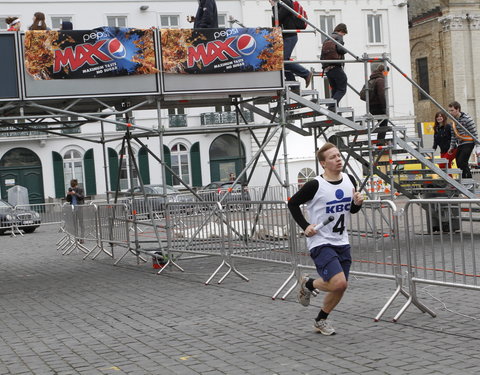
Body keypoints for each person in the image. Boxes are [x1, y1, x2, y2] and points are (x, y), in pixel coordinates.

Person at [287, 142, 363, 335]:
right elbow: (293, 204)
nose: (338, 159)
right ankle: (308, 284)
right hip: (321, 241)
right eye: (332, 157)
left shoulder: (349, 179)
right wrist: (306, 226)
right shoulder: (315, 185)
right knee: (339, 283)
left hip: (341, 240)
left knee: (339, 287)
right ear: (323, 163)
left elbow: (351, 210)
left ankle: (321, 320)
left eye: (339, 155)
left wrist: (357, 204)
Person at [269, 0, 313, 88]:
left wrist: (274, 6)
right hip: (285, 37)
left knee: (282, 60)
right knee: (281, 61)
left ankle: (306, 74)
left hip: (289, 36)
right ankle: (293, 85)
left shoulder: (286, 2)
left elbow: (278, 18)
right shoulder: (282, 4)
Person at [447, 101, 478, 179]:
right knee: (458, 163)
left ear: (457, 110)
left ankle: (468, 180)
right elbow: (453, 136)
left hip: (469, 142)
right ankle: (465, 179)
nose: (450, 112)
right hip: (460, 143)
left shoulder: (467, 119)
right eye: (449, 110)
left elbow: (474, 133)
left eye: (452, 110)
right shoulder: (453, 121)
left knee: (462, 161)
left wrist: (478, 147)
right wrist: (451, 147)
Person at [321, 23, 348, 111]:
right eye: (344, 33)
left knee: (335, 89)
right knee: (342, 88)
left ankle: (334, 107)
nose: (343, 35)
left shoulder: (327, 38)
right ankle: (332, 106)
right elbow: (340, 49)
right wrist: (346, 50)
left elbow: (322, 55)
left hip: (327, 68)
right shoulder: (338, 37)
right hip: (336, 66)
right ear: (342, 31)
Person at [368, 64, 389, 140]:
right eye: (386, 73)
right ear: (383, 71)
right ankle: (380, 142)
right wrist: (385, 107)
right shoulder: (380, 80)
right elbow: (381, 94)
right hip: (378, 106)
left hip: (371, 107)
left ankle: (379, 141)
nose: (387, 75)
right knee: (384, 125)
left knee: (381, 124)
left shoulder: (372, 79)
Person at [66, 179, 85, 243]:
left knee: (81, 223)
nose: (73, 188)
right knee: (75, 224)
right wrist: (68, 194)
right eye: (72, 186)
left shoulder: (80, 189)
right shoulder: (70, 190)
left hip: (79, 208)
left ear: (76, 185)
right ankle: (76, 238)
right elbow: (68, 200)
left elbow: (82, 197)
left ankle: (82, 238)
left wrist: (75, 193)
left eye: (74, 186)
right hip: (73, 208)